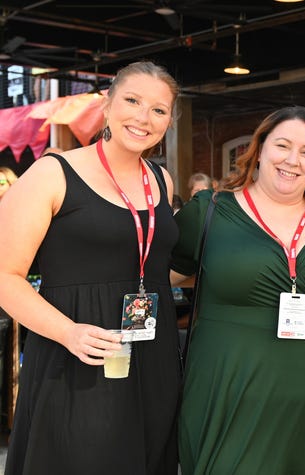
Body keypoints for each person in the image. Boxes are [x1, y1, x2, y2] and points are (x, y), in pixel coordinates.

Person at [0, 60, 181, 475]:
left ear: (169, 120)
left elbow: (155, 266)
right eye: (132, 101)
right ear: (106, 105)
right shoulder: (53, 172)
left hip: (150, 355)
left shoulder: (162, 180)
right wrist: (69, 332)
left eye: (158, 109)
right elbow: (5, 276)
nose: (143, 117)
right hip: (77, 354)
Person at [171, 105, 305, 475]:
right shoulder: (209, 212)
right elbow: (153, 281)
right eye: (283, 146)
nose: (293, 160)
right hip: (225, 391)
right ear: (259, 149)